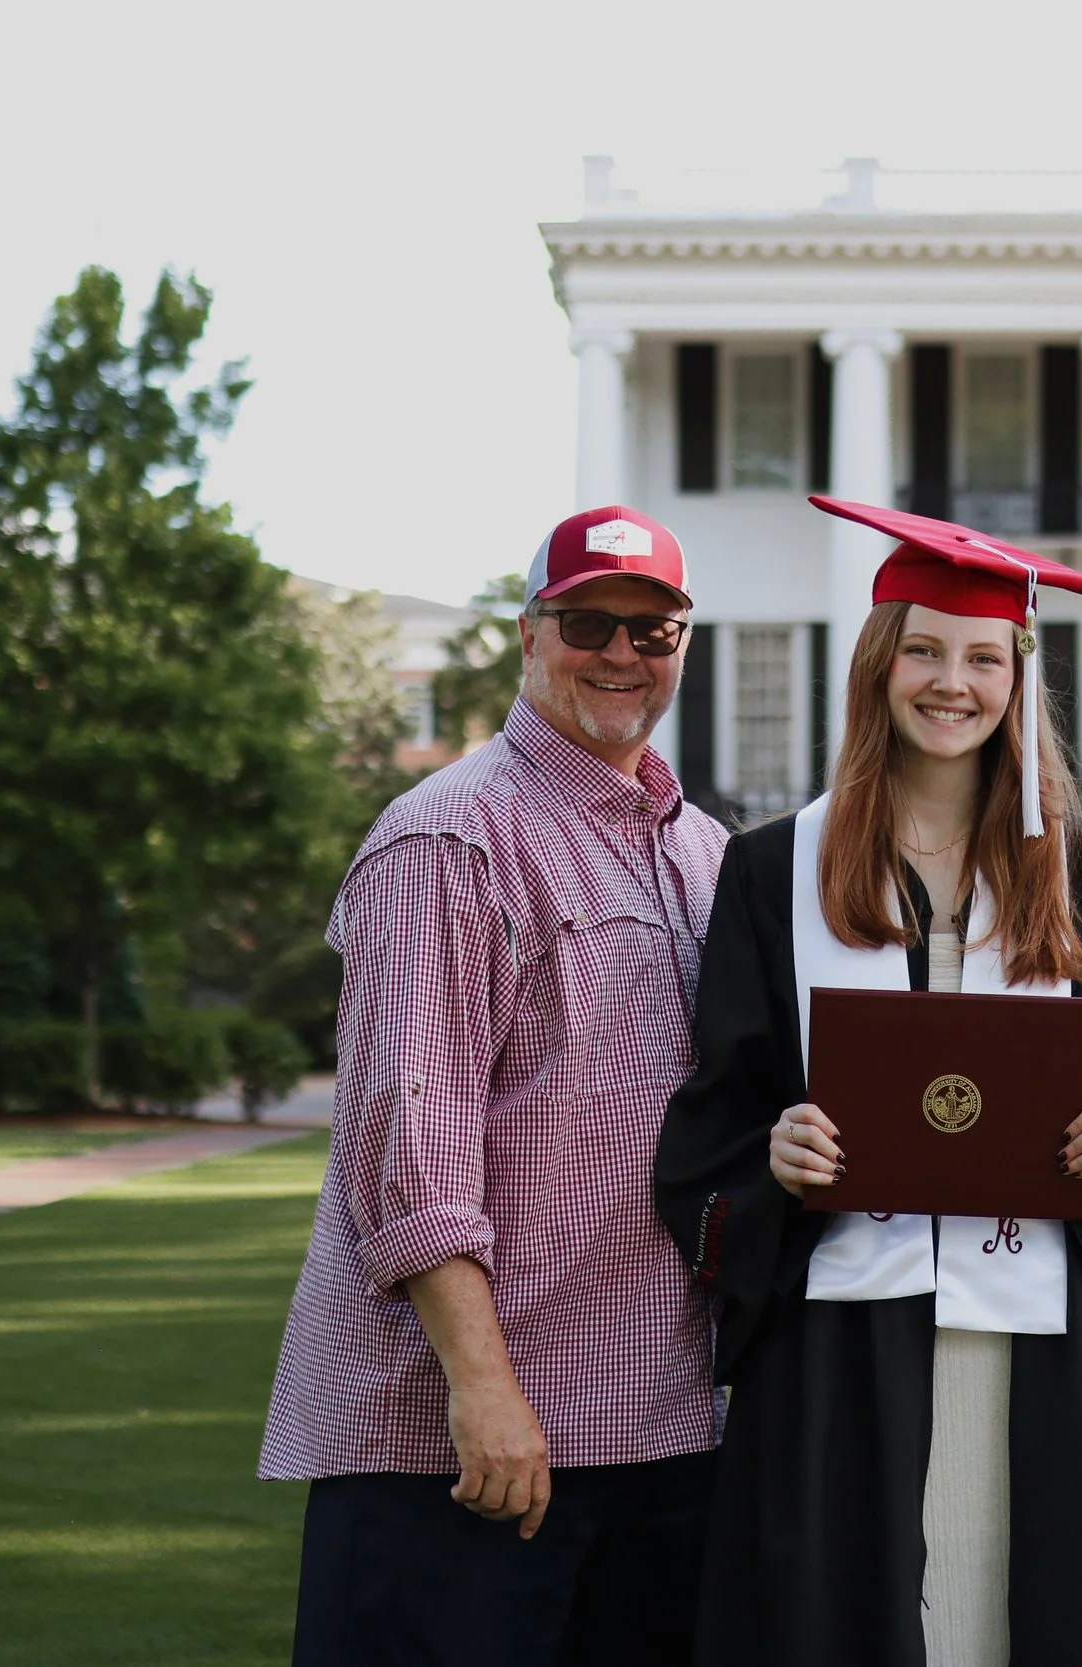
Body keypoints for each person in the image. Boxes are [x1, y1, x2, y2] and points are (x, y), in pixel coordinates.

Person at [654, 497, 1082, 1667]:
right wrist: (777, 1153)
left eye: (980, 655)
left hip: (1048, 1342)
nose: (949, 682)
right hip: (845, 1345)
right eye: (922, 649)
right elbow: (713, 1115)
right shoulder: (773, 869)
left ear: (1018, 675)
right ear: (878, 664)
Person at [260, 506, 727, 1666]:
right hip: (467, 1442)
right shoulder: (449, 839)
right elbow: (404, 1146)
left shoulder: (704, 852)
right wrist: (484, 1388)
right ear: (529, 633)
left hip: (661, 1428)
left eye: (654, 628)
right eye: (588, 621)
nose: (622, 651)